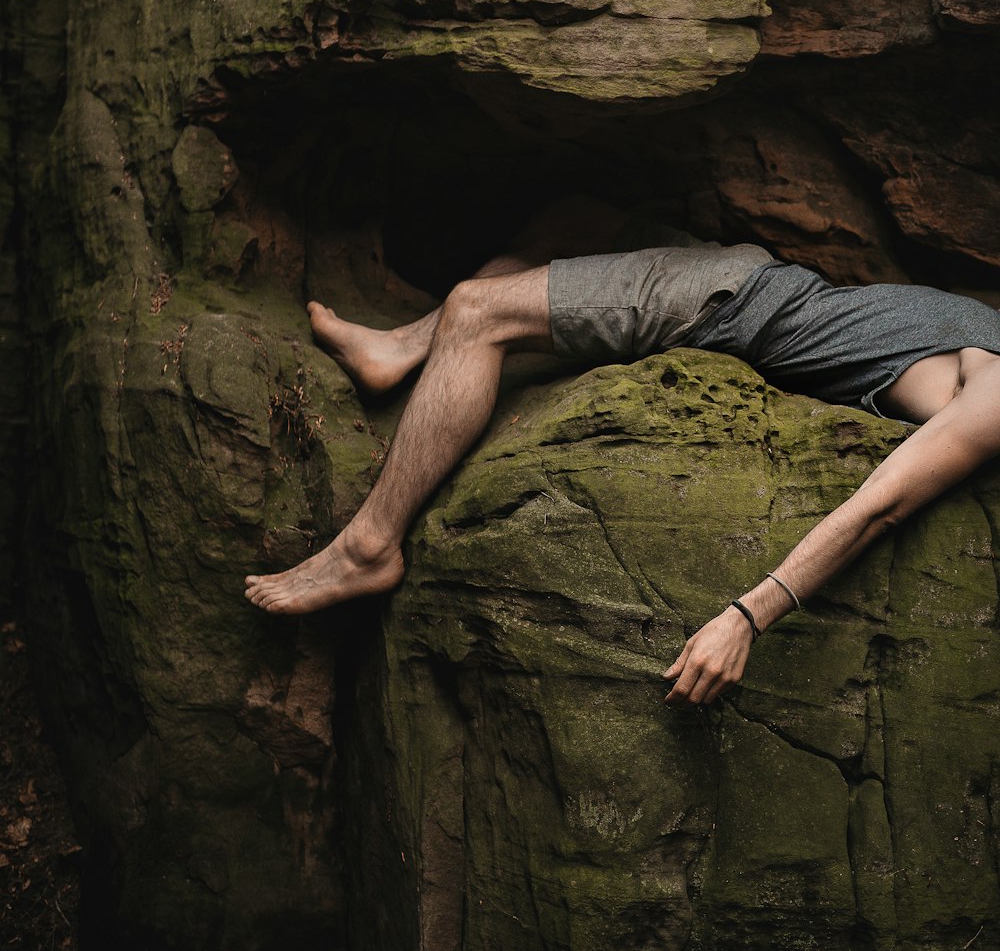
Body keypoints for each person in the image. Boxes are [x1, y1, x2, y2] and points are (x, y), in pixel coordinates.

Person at [244, 197, 1000, 707]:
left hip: (728, 303)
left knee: (478, 312)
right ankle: (403, 347)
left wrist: (747, 615)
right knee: (580, 216)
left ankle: (370, 543)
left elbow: (885, 502)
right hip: (753, 281)